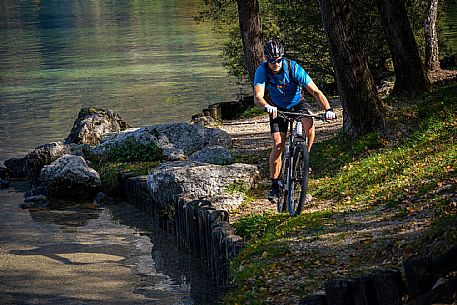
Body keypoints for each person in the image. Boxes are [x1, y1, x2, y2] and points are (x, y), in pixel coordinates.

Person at [253, 39, 337, 202]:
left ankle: (304, 158)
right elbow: (258, 97)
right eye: (271, 61)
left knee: (309, 125)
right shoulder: (262, 71)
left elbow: (315, 91)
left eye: (278, 60)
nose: (275, 64)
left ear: (282, 58)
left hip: (297, 104)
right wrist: (267, 107)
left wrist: (328, 109)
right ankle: (275, 184)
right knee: (278, 145)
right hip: (276, 108)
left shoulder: (293, 68)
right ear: (266, 59)